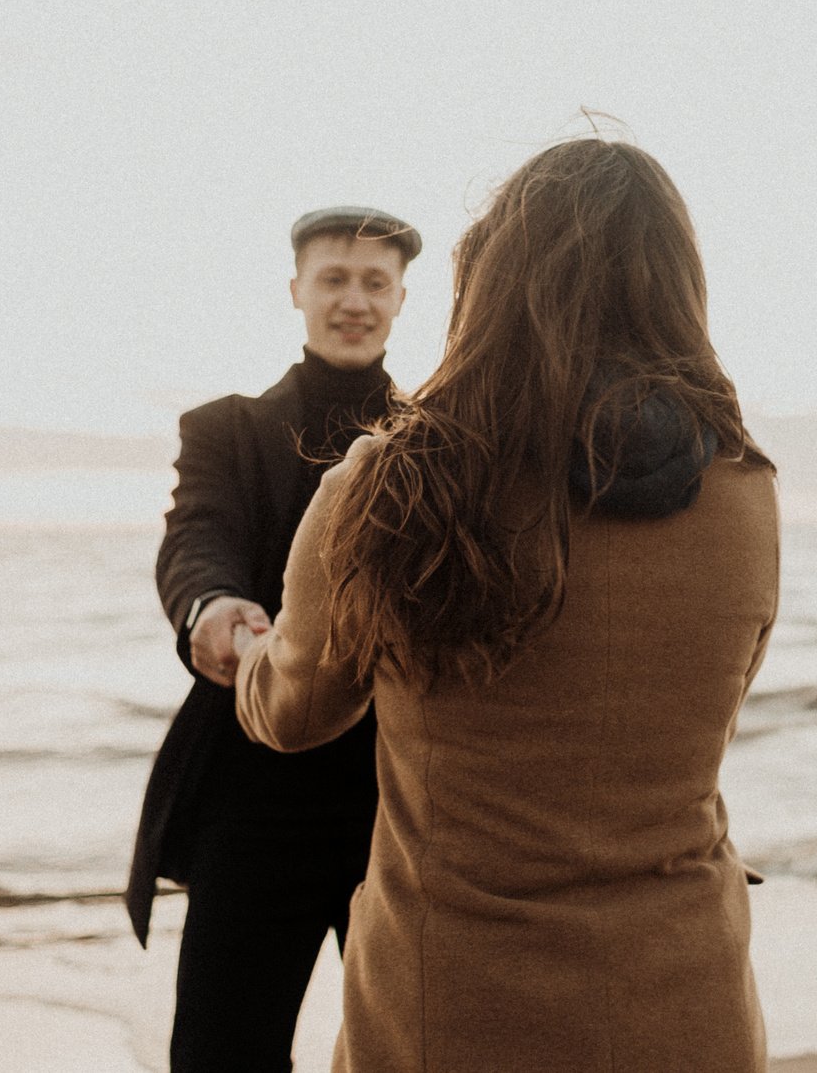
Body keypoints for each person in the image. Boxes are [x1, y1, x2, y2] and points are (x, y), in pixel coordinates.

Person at [235, 140, 779, 1073]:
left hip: (453, 1007)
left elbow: (296, 710)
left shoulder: (391, 480)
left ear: (489, 282)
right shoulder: (742, 489)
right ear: (675, 286)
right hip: (688, 1003)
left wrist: (252, 649)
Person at [125, 204, 421, 1073]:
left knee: (426, 1050)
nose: (354, 299)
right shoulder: (226, 429)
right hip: (256, 788)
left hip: (403, 793)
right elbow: (196, 536)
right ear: (297, 290)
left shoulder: (444, 436)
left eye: (375, 281)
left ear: (403, 296)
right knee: (220, 1054)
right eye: (335, 278)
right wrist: (210, 608)